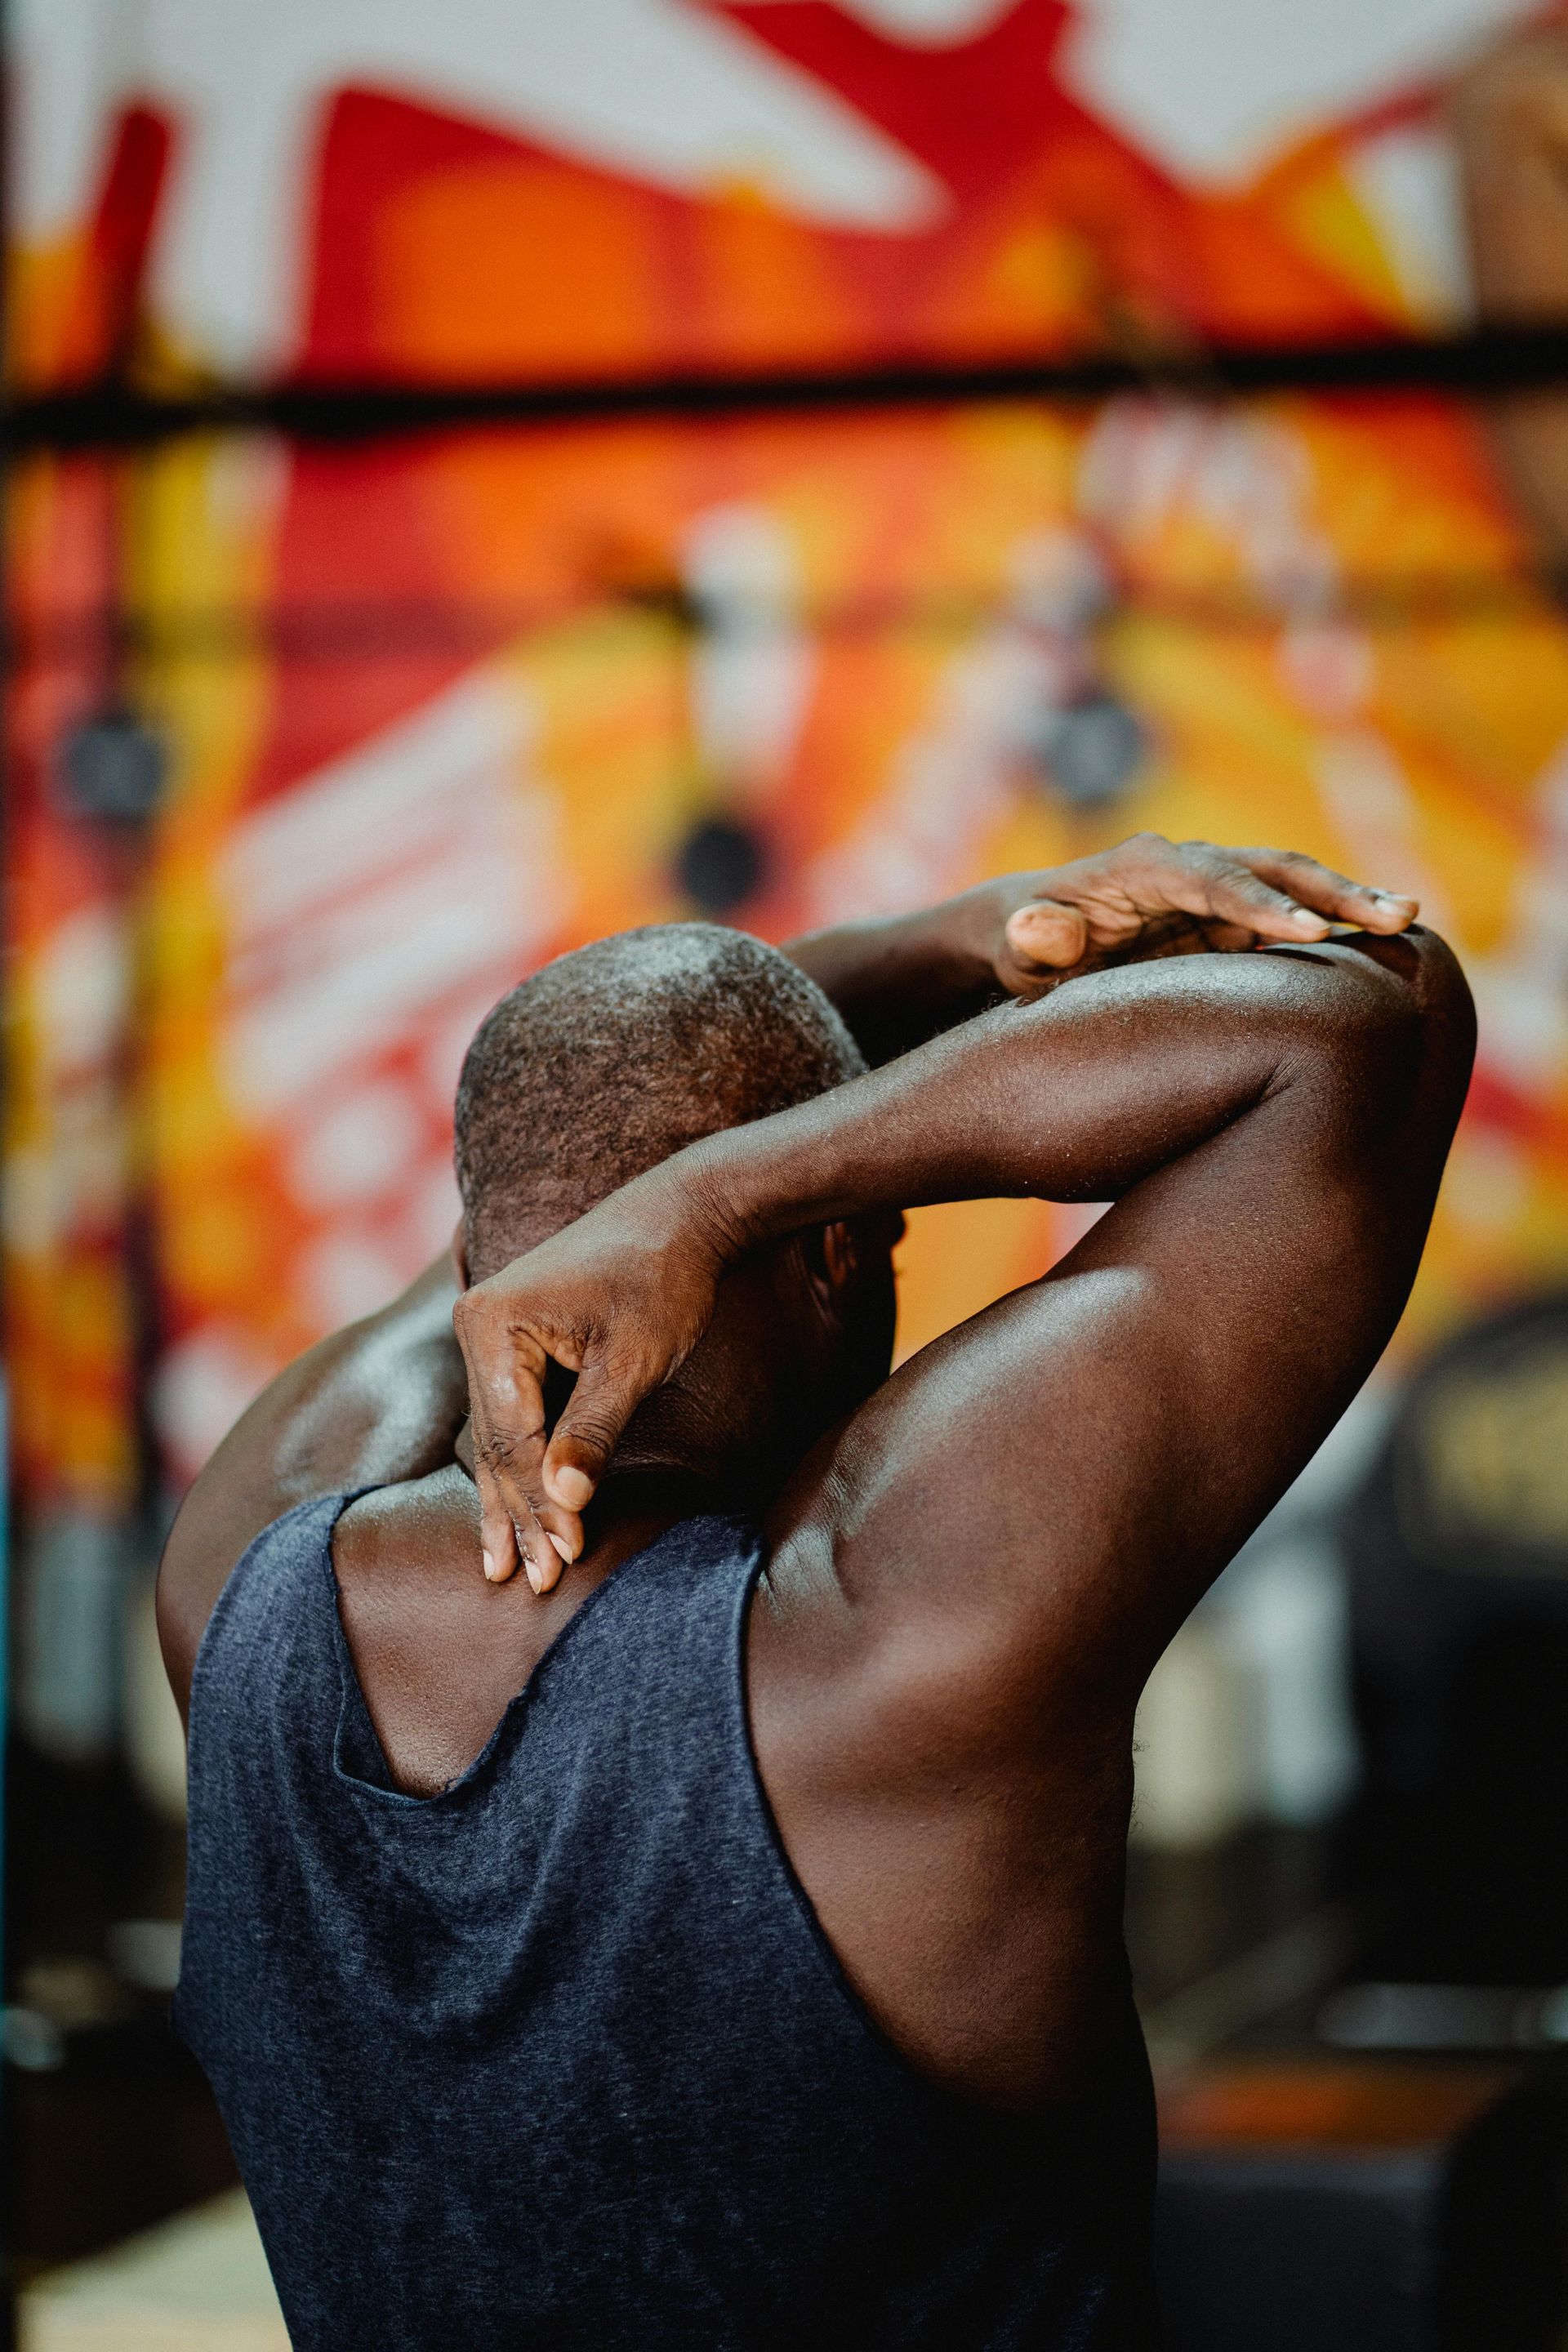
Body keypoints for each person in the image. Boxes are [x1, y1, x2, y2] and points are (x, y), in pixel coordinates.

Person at [158, 833, 1473, 2351]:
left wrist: (930, 957)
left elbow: (544, 1162)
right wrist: (728, 1194)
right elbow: (1363, 1017)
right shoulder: (889, 1630)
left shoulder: (236, 1571)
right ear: (842, 1254)